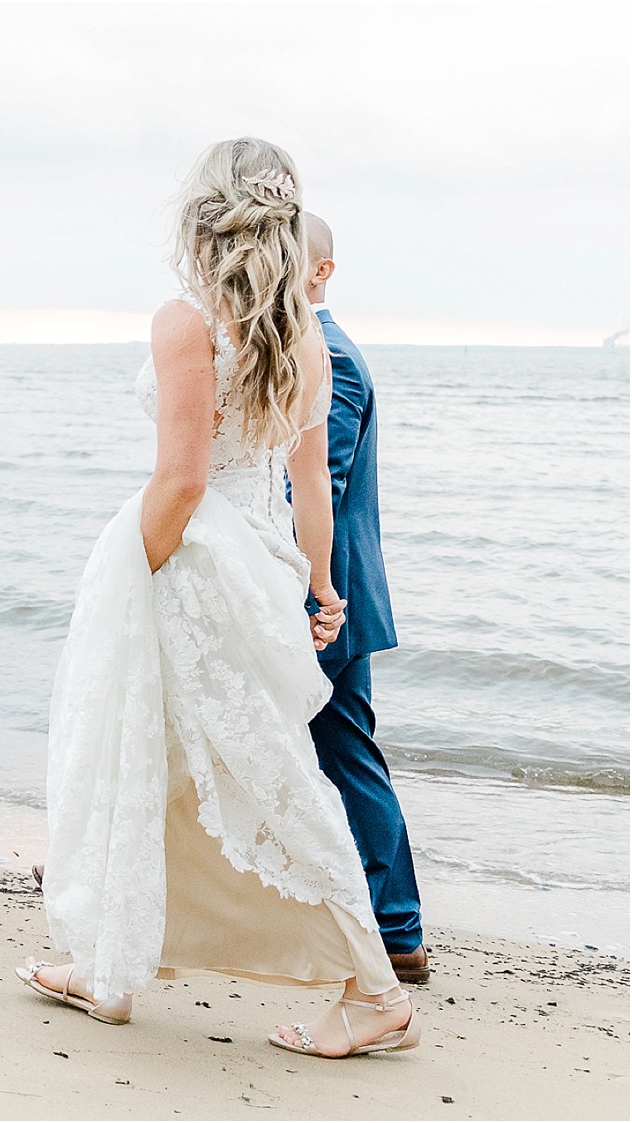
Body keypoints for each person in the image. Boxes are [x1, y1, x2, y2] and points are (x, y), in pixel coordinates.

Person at [15, 137, 421, 1059]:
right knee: (162, 756)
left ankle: (374, 988)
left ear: (203, 218)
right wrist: (318, 582)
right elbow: (308, 485)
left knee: (266, 772)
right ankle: (109, 962)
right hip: (262, 565)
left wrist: (137, 568)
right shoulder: (307, 339)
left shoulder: (188, 323)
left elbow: (183, 480)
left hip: (192, 564)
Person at [298, 214, 429, 983]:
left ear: (322, 273)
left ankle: (396, 927)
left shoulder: (333, 357)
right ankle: (390, 924)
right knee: (338, 748)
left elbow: (320, 482)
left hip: (328, 594)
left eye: (292, 266)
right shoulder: (312, 352)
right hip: (329, 588)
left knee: (347, 751)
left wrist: (302, 587)